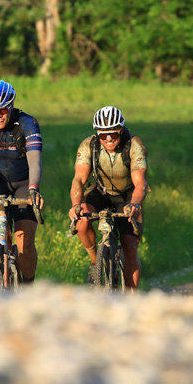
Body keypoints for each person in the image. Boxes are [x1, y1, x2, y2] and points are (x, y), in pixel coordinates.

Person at [68, 106, 148, 290]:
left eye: (113, 134)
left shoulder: (134, 145)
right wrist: (75, 205)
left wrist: (134, 204)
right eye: (103, 135)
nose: (109, 139)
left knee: (129, 246)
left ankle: (131, 297)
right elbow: (79, 179)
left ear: (120, 130)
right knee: (81, 219)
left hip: (127, 194)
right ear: (97, 134)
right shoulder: (89, 146)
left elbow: (140, 184)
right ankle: (96, 264)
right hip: (101, 190)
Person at [0, 80, 44, 284]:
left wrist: (33, 188)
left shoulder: (27, 123)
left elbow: (35, 162)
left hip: (23, 183)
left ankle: (28, 285)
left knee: (25, 243)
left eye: (3, 110)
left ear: (11, 106)